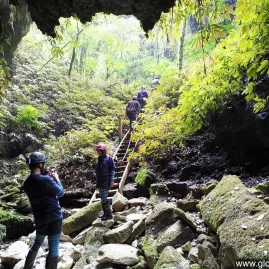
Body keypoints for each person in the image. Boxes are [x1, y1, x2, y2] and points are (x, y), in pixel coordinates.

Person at [23, 152, 64, 269]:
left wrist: (47, 175)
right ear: (40, 164)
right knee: (54, 248)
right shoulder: (46, 180)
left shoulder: (26, 183)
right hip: (54, 217)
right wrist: (56, 178)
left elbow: (37, 181)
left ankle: (27, 267)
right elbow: (61, 192)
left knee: (37, 242)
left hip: (40, 219)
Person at [95, 143, 115, 221]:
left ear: (103, 151)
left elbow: (112, 170)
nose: (98, 152)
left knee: (104, 198)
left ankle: (109, 215)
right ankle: (105, 213)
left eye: (100, 151)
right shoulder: (98, 160)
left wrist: (112, 180)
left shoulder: (109, 159)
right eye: (98, 151)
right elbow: (98, 172)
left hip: (106, 181)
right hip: (99, 182)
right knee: (103, 198)